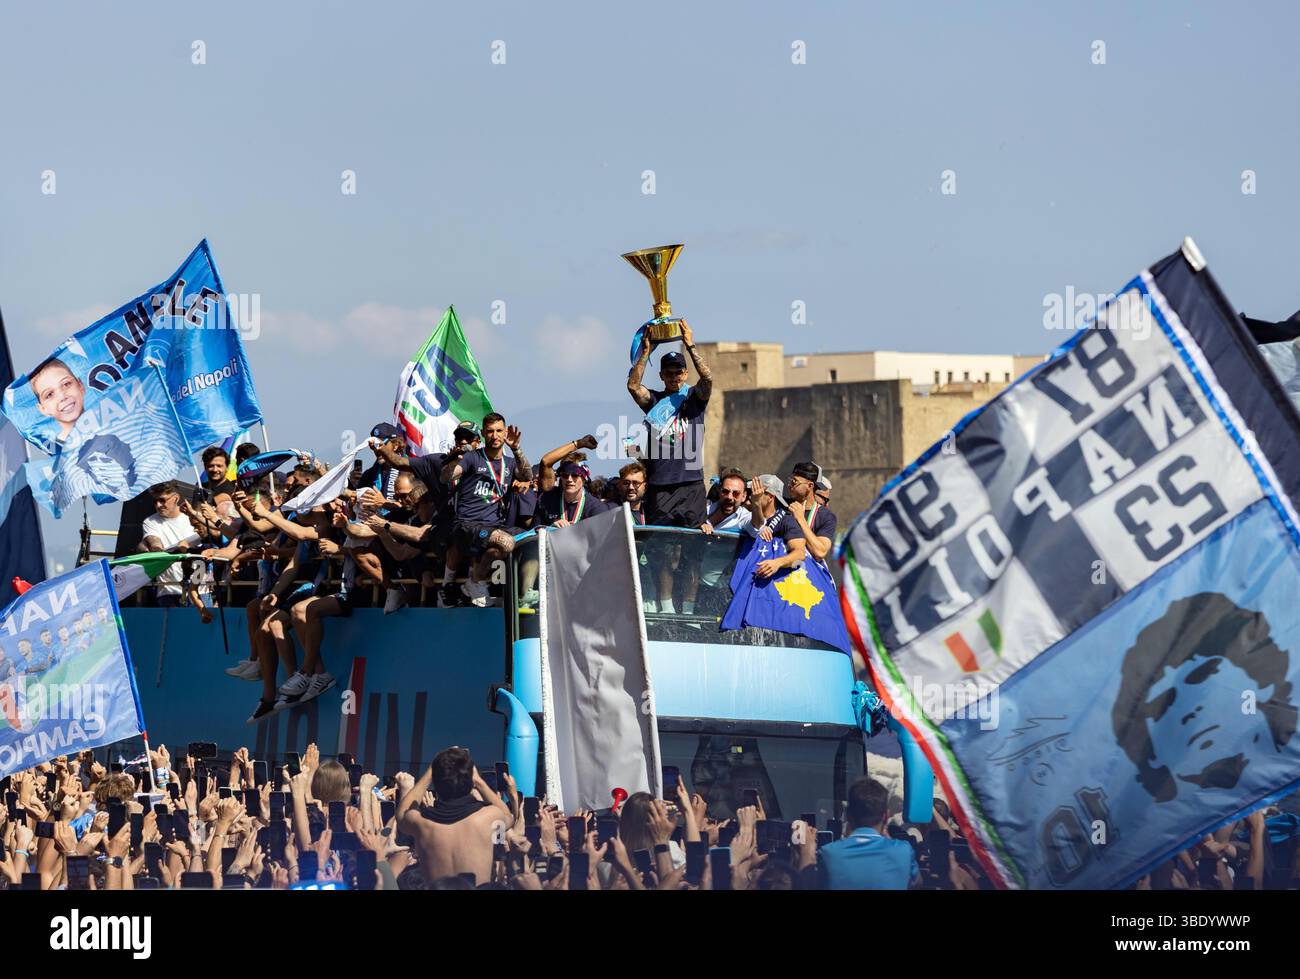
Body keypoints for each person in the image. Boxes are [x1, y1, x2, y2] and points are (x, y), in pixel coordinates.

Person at [626, 323, 713, 527]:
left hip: (691, 483)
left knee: (693, 548)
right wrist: (646, 352)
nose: (674, 377)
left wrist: (690, 345)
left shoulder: (694, 397)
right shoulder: (655, 401)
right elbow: (633, 386)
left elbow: (707, 378)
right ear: (662, 376)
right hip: (660, 485)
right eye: (669, 373)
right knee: (659, 547)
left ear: (685, 374)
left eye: (678, 372)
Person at [442, 414, 531, 607]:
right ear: (483, 434)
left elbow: (527, 475)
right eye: (490, 431)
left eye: (499, 431)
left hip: (494, 526)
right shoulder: (472, 458)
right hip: (468, 525)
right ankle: (476, 582)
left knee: (529, 540)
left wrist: (516, 449)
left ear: (506, 433)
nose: (494, 435)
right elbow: (447, 477)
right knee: (506, 542)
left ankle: (479, 583)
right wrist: (451, 463)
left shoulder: (510, 462)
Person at [397, 746, 514, 886]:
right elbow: (508, 815)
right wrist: (479, 782)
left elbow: (402, 815)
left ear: (436, 782)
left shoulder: (422, 823)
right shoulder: (488, 817)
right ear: (471, 782)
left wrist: (430, 772)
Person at [817, 777, 919, 890]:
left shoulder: (828, 853)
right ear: (885, 817)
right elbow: (917, 883)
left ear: (848, 815)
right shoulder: (903, 850)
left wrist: (806, 852)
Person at [139, 482, 212, 613]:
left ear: (176, 498)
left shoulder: (192, 517)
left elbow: (209, 535)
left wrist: (187, 545)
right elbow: (154, 540)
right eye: (155, 501)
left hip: (201, 590)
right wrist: (156, 549)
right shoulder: (150, 521)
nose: (158, 505)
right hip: (168, 590)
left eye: (162, 500)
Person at [773, 461, 837, 564]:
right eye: (790, 481)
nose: (790, 485)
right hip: (777, 570)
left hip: (805, 577)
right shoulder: (780, 504)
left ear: (810, 486)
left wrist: (801, 519)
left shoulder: (826, 516)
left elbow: (820, 552)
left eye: (795, 482)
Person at [28, 357, 85, 443]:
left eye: (66, 384)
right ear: (43, 409)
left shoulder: (111, 418)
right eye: (49, 394)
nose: (62, 396)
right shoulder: (57, 450)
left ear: (80, 386)